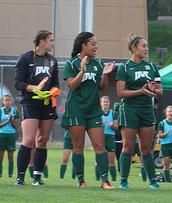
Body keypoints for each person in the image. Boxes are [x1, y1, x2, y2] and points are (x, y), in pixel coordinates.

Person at [62, 31, 116, 188]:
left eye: (96, 44)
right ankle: (81, 181)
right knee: (78, 147)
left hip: (93, 112)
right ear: (83, 45)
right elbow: (72, 85)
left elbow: (103, 88)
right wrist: (82, 70)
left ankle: (105, 181)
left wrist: (105, 75)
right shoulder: (71, 63)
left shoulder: (98, 64)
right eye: (93, 44)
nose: (96, 47)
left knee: (100, 146)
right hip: (76, 111)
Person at [116, 34, 163, 190]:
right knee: (128, 146)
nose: (147, 49)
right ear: (134, 48)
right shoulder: (124, 67)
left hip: (146, 110)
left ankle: (153, 182)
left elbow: (160, 91)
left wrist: (153, 89)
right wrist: (141, 91)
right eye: (144, 46)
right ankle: (123, 181)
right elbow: (121, 93)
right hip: (129, 109)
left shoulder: (152, 66)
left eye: (147, 46)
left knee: (146, 148)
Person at [13, 30, 59, 185]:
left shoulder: (52, 60)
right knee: (29, 140)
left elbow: (56, 83)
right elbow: (18, 83)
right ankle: (20, 177)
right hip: (30, 102)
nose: (53, 43)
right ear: (41, 41)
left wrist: (53, 91)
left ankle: (37, 177)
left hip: (46, 104)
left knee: (42, 140)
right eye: (51, 40)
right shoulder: (26, 58)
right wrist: (35, 88)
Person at [0, 95, 19, 178]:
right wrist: (7, 121)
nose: (7, 102)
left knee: (10, 157)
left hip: (11, 135)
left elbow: (15, 126)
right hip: (1, 135)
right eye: (6, 100)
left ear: (11, 101)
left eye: (9, 100)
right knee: (0, 157)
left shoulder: (14, 111)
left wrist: (11, 120)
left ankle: (10, 175)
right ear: (3, 102)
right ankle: (0, 174)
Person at [101, 96, 119, 181]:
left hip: (110, 137)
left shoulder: (114, 113)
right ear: (101, 104)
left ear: (109, 103)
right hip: (100, 137)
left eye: (107, 102)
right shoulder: (98, 113)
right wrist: (101, 125)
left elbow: (116, 127)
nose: (105, 103)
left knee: (111, 160)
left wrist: (112, 125)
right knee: (99, 159)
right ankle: (98, 178)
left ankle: (114, 179)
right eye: (104, 102)